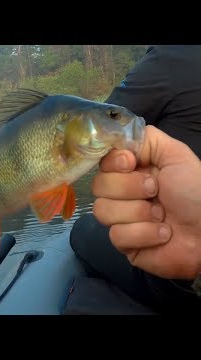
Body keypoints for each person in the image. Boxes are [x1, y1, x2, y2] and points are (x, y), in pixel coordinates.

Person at [65, 45, 201, 314]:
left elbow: (111, 116)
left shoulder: (169, 57)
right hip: (190, 249)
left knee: (81, 230)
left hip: (176, 274)